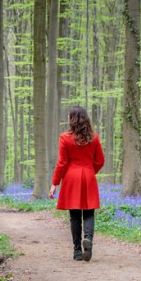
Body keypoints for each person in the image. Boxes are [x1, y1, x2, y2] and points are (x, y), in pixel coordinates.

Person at [48, 106, 105, 261]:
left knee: (74, 215)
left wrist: (54, 184)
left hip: (71, 178)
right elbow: (100, 160)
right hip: (88, 176)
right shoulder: (94, 137)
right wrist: (90, 171)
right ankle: (88, 238)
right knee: (88, 212)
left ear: (72, 119)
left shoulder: (65, 138)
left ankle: (77, 251)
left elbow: (62, 162)